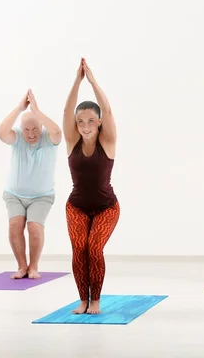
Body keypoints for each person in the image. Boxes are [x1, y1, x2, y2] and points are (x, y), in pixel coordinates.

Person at [63, 58, 120, 314]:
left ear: (98, 123)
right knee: (79, 248)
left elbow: (107, 111)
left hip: (107, 207)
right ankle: (82, 299)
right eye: (80, 122)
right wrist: (77, 81)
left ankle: (95, 299)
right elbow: (66, 113)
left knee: (93, 248)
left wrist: (93, 81)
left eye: (89, 121)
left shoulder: (107, 141)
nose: (84, 126)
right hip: (76, 206)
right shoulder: (72, 141)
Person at [0, 89, 62, 280]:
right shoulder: (17, 137)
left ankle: (33, 267)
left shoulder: (49, 139)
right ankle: (22, 267)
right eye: (27, 129)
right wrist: (19, 108)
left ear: (41, 127)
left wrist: (36, 111)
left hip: (42, 196)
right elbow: (1, 133)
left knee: (34, 226)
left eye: (35, 129)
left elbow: (57, 131)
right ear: (21, 128)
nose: (31, 134)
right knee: (15, 225)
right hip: (14, 194)